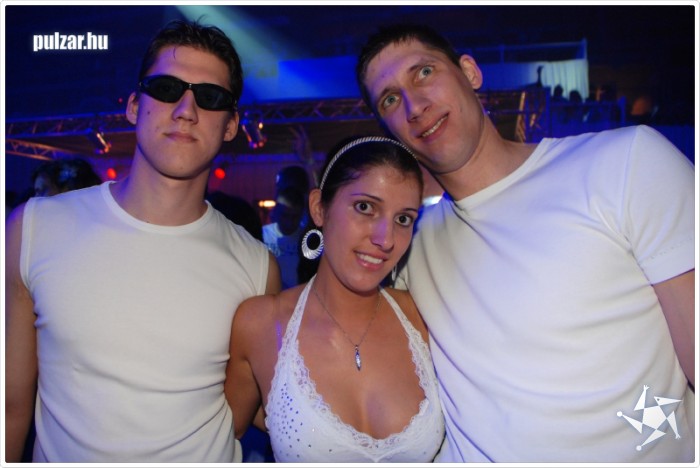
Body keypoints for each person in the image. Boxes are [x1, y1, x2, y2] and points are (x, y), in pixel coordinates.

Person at [356, 24, 695, 463]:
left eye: (424, 72)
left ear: (470, 72)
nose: (414, 106)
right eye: (390, 99)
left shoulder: (626, 163)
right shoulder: (407, 245)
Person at [5, 19, 281, 463]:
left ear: (231, 125)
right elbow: (10, 408)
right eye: (166, 89)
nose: (186, 110)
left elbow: (238, 416)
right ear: (134, 106)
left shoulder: (256, 267)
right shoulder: (34, 228)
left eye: (210, 97)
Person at [225, 136, 445, 462]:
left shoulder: (422, 317)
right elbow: (217, 439)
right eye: (365, 207)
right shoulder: (260, 325)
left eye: (403, 219)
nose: (385, 239)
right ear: (319, 208)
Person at [262, 186, 306, 289]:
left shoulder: (307, 238)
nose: (289, 222)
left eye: (294, 217)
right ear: (276, 210)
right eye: (285, 215)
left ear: (301, 214)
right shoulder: (263, 234)